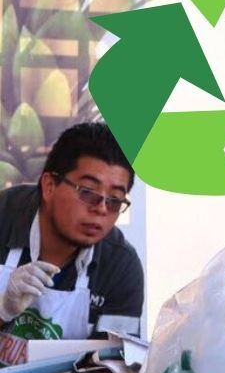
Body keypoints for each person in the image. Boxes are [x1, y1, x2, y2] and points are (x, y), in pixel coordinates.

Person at [0, 121, 143, 360]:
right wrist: (3, 309)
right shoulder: (4, 216)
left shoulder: (121, 267)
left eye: (115, 200)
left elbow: (115, 364)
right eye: (88, 192)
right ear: (49, 186)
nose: (101, 209)